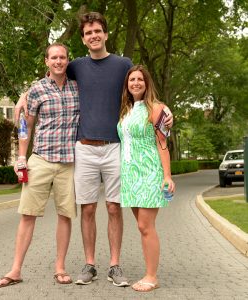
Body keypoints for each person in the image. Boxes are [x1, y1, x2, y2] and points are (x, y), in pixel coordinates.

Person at [15, 12, 173, 287]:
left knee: (114, 207)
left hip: (115, 148)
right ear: (84, 38)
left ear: (106, 34)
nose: (94, 36)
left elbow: (140, 86)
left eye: (98, 31)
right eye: (88, 33)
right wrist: (23, 96)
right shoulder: (76, 65)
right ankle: (89, 264)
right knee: (87, 209)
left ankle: (114, 265)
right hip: (83, 148)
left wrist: (163, 110)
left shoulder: (123, 64)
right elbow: (52, 75)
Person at [0, 43, 79, 288]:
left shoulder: (77, 87)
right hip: (40, 160)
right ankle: (15, 269)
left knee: (65, 215)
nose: (58, 61)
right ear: (46, 61)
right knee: (28, 215)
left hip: (68, 164)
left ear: (67, 60)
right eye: (54, 57)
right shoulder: (36, 90)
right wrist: (21, 157)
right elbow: (25, 125)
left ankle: (60, 267)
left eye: (62, 57)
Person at [117, 65, 175, 292]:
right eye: (132, 79)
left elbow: (163, 144)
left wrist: (167, 176)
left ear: (147, 83)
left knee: (145, 225)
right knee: (142, 228)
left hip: (150, 173)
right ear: (127, 84)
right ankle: (149, 272)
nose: (136, 83)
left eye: (140, 79)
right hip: (130, 176)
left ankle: (151, 276)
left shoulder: (157, 109)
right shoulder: (125, 110)